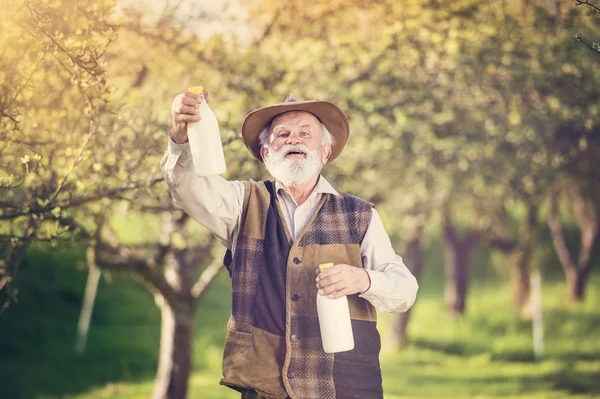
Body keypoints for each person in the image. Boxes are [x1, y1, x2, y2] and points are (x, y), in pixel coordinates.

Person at [161, 90, 419, 399]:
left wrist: (362, 279)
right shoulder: (243, 203)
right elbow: (187, 187)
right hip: (264, 388)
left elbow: (405, 291)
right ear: (267, 154)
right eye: (282, 134)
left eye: (304, 133)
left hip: (345, 388)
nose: (293, 140)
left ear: (324, 152)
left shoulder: (360, 215)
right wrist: (180, 137)